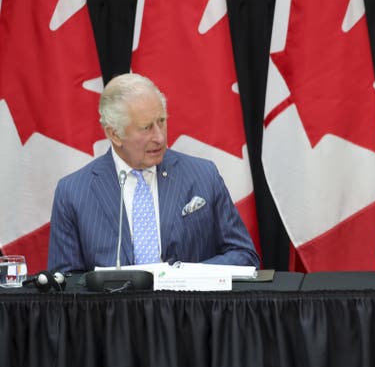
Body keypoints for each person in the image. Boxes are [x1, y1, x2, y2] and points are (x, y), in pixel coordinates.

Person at [48, 73, 259, 273]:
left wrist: (187, 274)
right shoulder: (73, 192)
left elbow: (244, 256)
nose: (159, 137)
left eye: (162, 121)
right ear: (114, 134)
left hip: (189, 308)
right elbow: (64, 285)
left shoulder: (203, 175)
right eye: (146, 127)